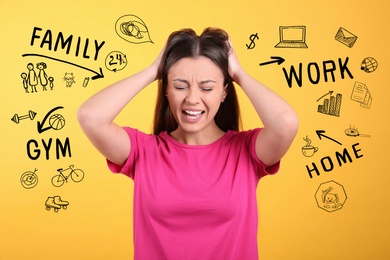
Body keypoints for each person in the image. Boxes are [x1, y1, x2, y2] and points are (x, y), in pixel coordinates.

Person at [77, 27, 298, 260]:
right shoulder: (144, 151)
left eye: (207, 88)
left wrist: (239, 74)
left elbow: (286, 123)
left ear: (224, 92)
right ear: (166, 91)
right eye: (180, 86)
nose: (192, 99)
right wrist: (154, 70)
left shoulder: (246, 151)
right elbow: (90, 117)